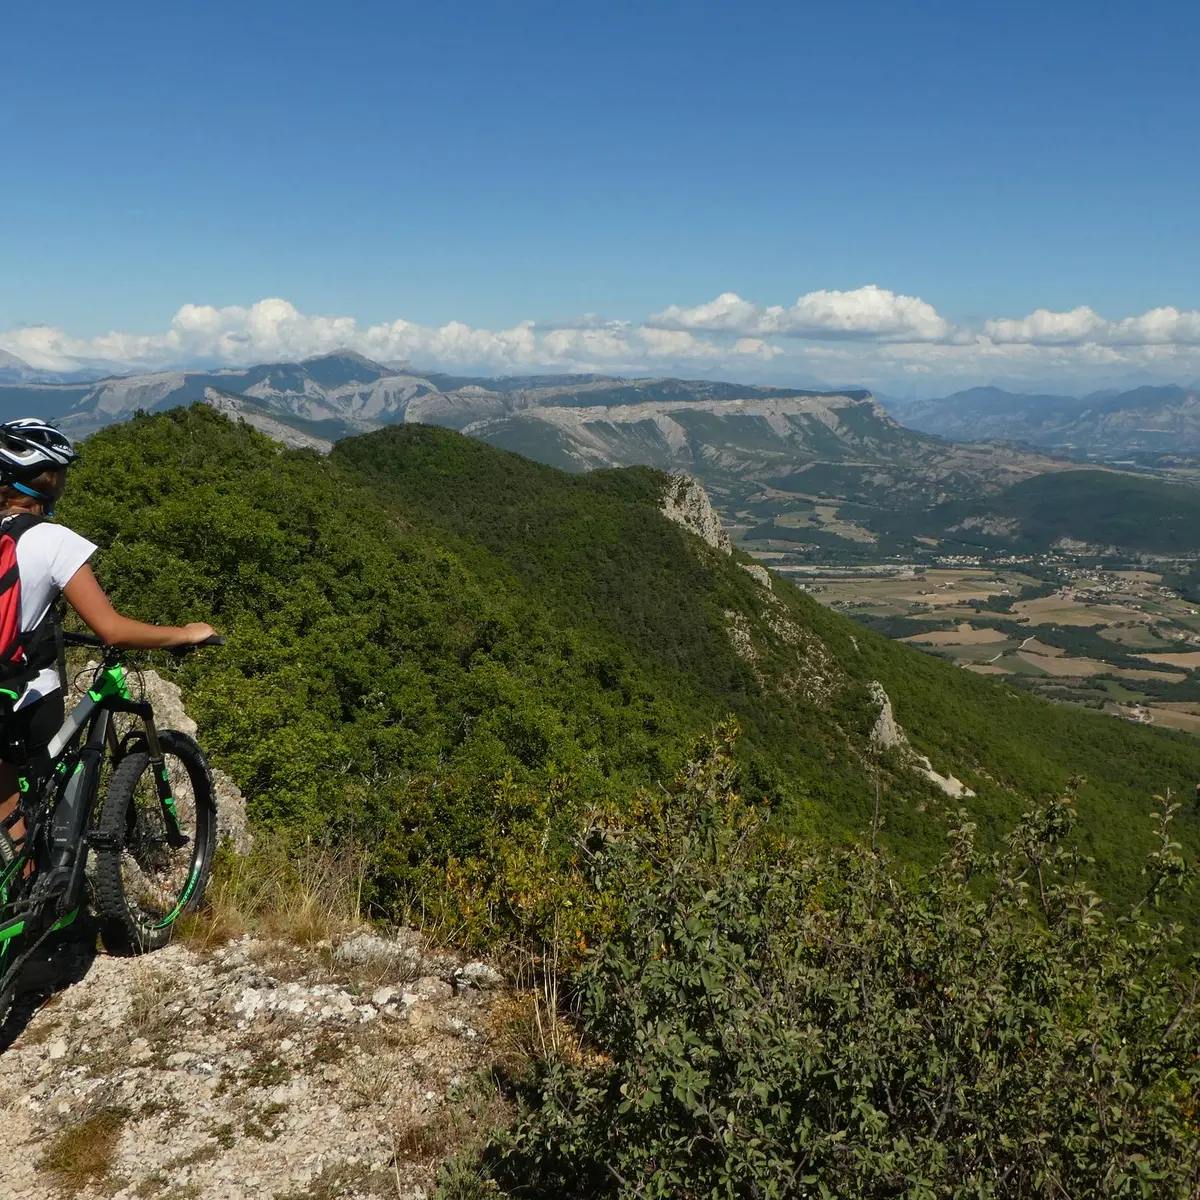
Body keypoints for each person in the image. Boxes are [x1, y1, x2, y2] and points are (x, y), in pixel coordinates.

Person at [0, 418, 215, 873]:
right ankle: (37, 895)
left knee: (6, 803)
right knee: (34, 810)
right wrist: (184, 633)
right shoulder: (52, 540)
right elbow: (111, 629)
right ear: (49, 480)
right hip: (23, 696)